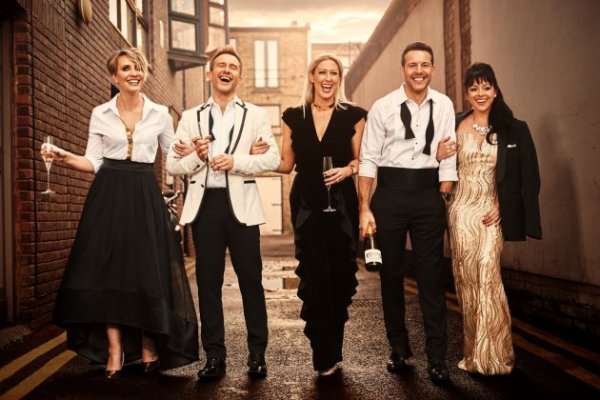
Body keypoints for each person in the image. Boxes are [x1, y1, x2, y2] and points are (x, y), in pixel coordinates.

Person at [43, 48, 199, 378]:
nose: (134, 72)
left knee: (146, 270)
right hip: (108, 194)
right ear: (114, 77)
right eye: (126, 68)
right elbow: (93, 162)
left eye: (138, 67)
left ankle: (148, 343)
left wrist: (192, 152)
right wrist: (63, 156)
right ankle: (114, 349)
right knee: (108, 271)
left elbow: (173, 161)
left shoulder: (160, 113)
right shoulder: (100, 113)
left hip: (144, 193)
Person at [165, 45, 280, 380]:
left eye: (233, 66)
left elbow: (272, 158)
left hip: (243, 207)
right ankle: (214, 357)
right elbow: (173, 164)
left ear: (239, 76)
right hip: (206, 207)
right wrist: (198, 157)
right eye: (221, 65)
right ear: (210, 72)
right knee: (208, 284)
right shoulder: (191, 117)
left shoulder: (255, 115)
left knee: (251, 282)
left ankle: (257, 354)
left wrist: (237, 161)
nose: (227, 70)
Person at [255, 54, 366, 376]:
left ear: (339, 79)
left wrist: (347, 170)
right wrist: (256, 155)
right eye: (323, 72)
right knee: (316, 276)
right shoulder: (294, 116)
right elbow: (286, 164)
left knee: (339, 277)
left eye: (334, 73)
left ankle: (334, 345)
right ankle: (323, 353)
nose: (328, 78)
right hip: (307, 204)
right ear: (312, 77)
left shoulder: (354, 115)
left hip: (342, 204)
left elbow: (362, 160)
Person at [358, 42, 457, 383]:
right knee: (391, 276)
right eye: (412, 65)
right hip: (390, 195)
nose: (419, 71)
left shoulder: (444, 104)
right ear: (402, 69)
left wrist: (442, 197)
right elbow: (368, 159)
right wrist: (365, 207)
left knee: (432, 278)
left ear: (433, 69)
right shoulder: (383, 107)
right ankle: (398, 350)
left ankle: (437, 358)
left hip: (428, 194)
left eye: (425, 65)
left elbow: (449, 157)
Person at [437, 62, 541, 375]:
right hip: (461, 212)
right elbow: (439, 167)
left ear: (495, 90)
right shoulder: (453, 124)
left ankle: (495, 356)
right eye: (474, 88)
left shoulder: (514, 128)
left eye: (486, 87)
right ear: (466, 94)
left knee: (487, 273)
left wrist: (504, 207)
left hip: (491, 213)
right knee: (468, 282)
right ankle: (475, 354)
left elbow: (527, 176)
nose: (480, 93)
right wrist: (438, 156)